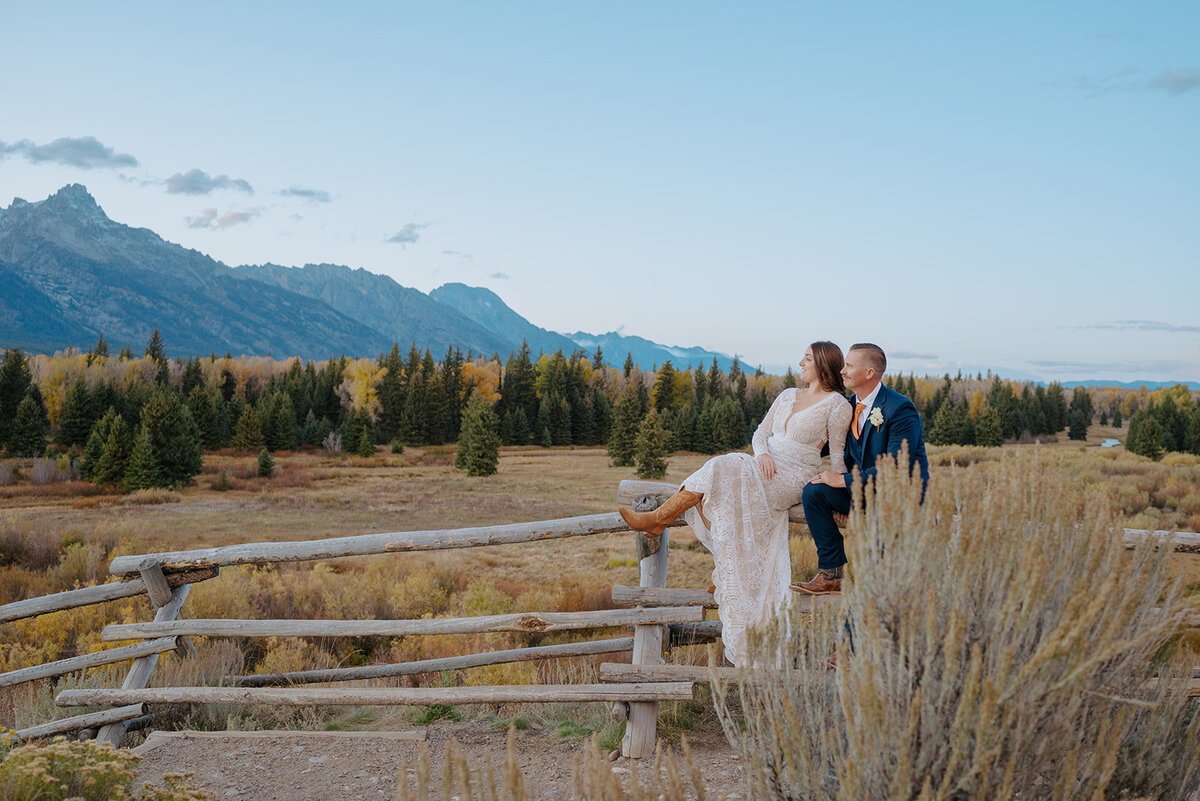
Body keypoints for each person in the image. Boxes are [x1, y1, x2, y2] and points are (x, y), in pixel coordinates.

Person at [619, 342, 852, 665]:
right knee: (721, 479)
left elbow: (838, 456)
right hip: (766, 464)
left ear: (824, 364)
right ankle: (669, 527)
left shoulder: (838, 405)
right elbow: (760, 433)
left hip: (794, 476)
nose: (801, 362)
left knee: (722, 468)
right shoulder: (787, 395)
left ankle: (658, 520)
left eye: (808, 358)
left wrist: (841, 491)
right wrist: (765, 454)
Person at [793, 342, 929, 595]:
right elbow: (822, 445)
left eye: (848, 365)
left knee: (879, 580)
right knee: (815, 491)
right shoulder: (846, 406)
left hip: (894, 498)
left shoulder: (899, 409)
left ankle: (881, 595)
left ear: (869, 373)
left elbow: (896, 467)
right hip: (861, 493)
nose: (842, 371)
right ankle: (831, 574)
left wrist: (845, 482)